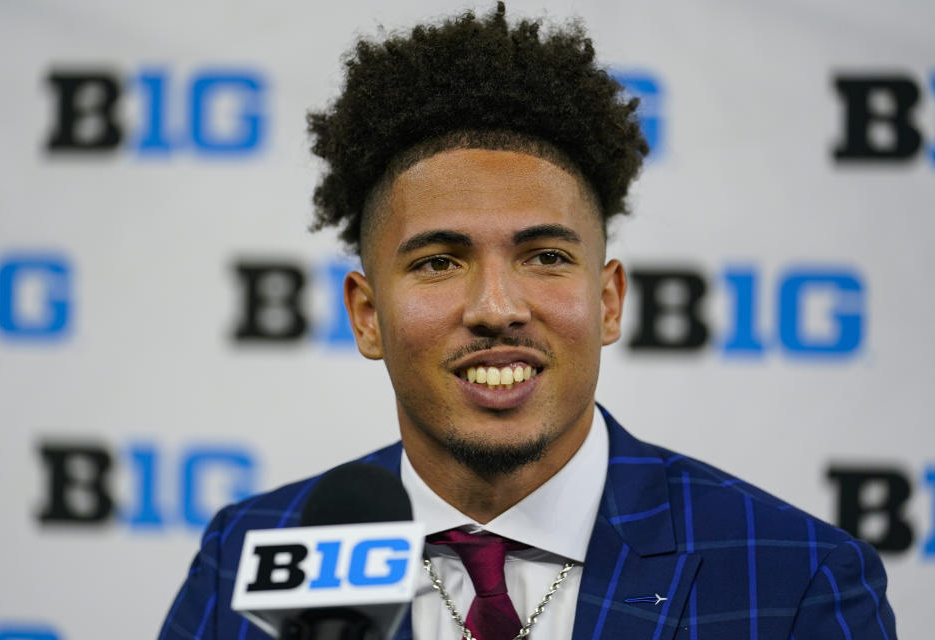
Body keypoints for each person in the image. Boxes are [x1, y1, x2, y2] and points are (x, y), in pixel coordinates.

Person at [158, 4, 896, 639]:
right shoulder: (253, 554)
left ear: (608, 301)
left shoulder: (792, 575)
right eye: (439, 262)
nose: (497, 308)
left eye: (544, 256)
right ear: (367, 314)